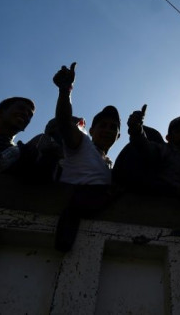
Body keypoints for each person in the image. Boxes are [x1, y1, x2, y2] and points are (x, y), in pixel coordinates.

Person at [51, 62, 121, 252]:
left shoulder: (110, 166)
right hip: (68, 223)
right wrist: (66, 90)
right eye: (103, 125)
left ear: (118, 136)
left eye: (113, 127)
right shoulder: (82, 143)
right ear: (91, 130)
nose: (107, 130)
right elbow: (64, 123)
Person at [113, 107, 180, 200]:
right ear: (168, 138)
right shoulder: (165, 149)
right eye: (179, 131)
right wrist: (137, 130)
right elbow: (145, 147)